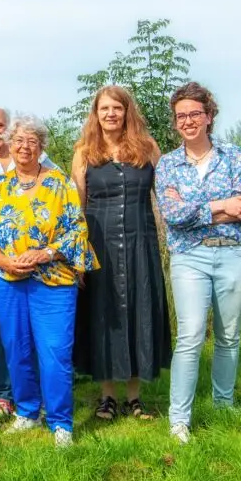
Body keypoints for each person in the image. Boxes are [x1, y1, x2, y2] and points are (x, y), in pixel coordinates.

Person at [0, 114, 97, 448]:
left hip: (53, 281)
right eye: (19, 141)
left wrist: (45, 254)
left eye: (32, 141)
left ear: (41, 147)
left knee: (54, 351)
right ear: (10, 145)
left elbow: (77, 230)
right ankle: (27, 412)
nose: (24, 147)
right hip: (7, 281)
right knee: (17, 348)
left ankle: (60, 423)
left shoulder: (59, 184)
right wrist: (4, 260)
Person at [155, 82, 241, 444]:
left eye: (194, 114)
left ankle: (223, 404)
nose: (188, 121)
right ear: (175, 122)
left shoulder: (232, 155)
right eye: (181, 116)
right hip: (190, 258)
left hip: (235, 254)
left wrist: (205, 209)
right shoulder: (168, 164)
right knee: (191, 334)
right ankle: (179, 419)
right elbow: (172, 215)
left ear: (209, 116)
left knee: (229, 336)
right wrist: (221, 206)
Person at [70, 85, 172, 423]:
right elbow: (77, 207)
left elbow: (167, 197)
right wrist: (79, 256)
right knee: (103, 315)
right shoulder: (84, 151)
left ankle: (135, 397)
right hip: (99, 245)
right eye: (104, 109)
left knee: (138, 312)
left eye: (117, 108)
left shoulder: (148, 148)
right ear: (95, 115)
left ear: (128, 112)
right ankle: (107, 397)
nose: (111, 114)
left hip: (141, 241)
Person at [0, 106, 61, 423]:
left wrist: (49, 253)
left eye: (0, 125)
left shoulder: (46, 168)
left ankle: (42, 403)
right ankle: (5, 397)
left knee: (37, 337)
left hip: (41, 270)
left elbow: (64, 215)